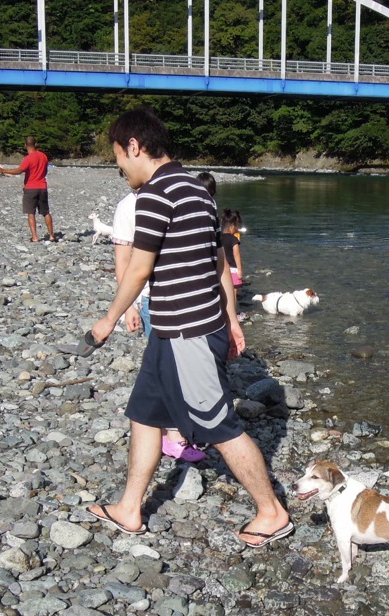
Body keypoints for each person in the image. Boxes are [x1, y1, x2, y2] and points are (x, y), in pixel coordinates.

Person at [85, 106, 292, 548]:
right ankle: (129, 507)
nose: (119, 166)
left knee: (217, 424)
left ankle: (272, 511)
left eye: (118, 156)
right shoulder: (198, 190)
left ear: (134, 147)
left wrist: (107, 320)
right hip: (175, 330)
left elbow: (139, 269)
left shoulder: (158, 194)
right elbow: (218, 262)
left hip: (187, 333)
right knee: (145, 413)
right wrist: (232, 319)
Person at [109, 170, 205, 463]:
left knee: (180, 366)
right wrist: (129, 306)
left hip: (182, 300)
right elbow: (124, 263)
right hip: (152, 298)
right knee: (167, 369)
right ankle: (173, 434)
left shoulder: (171, 197)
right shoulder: (128, 207)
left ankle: (175, 426)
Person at [0, 136, 57, 243]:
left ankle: (35, 237)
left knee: (31, 212)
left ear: (25, 145)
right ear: (35, 144)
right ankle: (51, 235)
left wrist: (3, 170)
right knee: (46, 212)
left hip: (30, 188)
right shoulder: (43, 156)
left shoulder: (28, 158)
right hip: (42, 186)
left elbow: (19, 170)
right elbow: (45, 171)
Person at [220, 208, 244, 289]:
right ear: (232, 226)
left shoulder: (218, 238)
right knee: (234, 296)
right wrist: (240, 270)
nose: (237, 229)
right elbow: (237, 255)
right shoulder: (233, 239)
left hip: (222, 270)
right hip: (233, 271)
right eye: (236, 226)